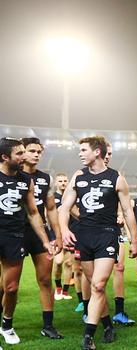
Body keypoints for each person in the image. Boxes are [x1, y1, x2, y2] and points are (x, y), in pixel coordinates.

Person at [58, 136, 137, 350]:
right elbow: (64, 208)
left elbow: (128, 211)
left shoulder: (116, 178)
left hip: (107, 235)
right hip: (83, 235)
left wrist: (134, 240)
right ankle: (107, 325)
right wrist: (65, 230)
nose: (80, 153)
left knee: (98, 284)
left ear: (97, 152)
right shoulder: (78, 176)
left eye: (84, 149)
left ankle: (88, 337)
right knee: (96, 287)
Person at [0, 137, 55, 346]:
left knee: (11, 287)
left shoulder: (25, 180)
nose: (24, 157)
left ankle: (7, 325)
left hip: (14, 236)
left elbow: (33, 213)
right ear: (5, 157)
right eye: (19, 154)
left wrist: (45, 240)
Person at [20, 138, 64, 340]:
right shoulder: (9, 175)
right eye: (31, 151)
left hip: (39, 234)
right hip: (14, 232)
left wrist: (58, 235)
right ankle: (6, 323)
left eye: (39, 151)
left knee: (45, 280)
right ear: (21, 152)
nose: (36, 155)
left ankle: (48, 325)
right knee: (7, 286)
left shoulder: (45, 178)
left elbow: (52, 208)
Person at [104, 143, 135, 326]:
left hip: (115, 231)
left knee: (120, 267)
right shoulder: (82, 176)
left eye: (110, 154)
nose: (108, 156)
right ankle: (88, 308)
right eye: (106, 153)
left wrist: (132, 236)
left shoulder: (117, 177)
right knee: (91, 275)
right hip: (92, 232)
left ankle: (119, 312)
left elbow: (125, 208)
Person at [52, 173, 74, 302]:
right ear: (56, 183)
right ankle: (58, 287)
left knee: (69, 263)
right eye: (60, 181)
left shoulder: (71, 197)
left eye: (65, 180)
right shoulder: (52, 197)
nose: (63, 183)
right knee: (58, 262)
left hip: (70, 234)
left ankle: (65, 291)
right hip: (57, 235)